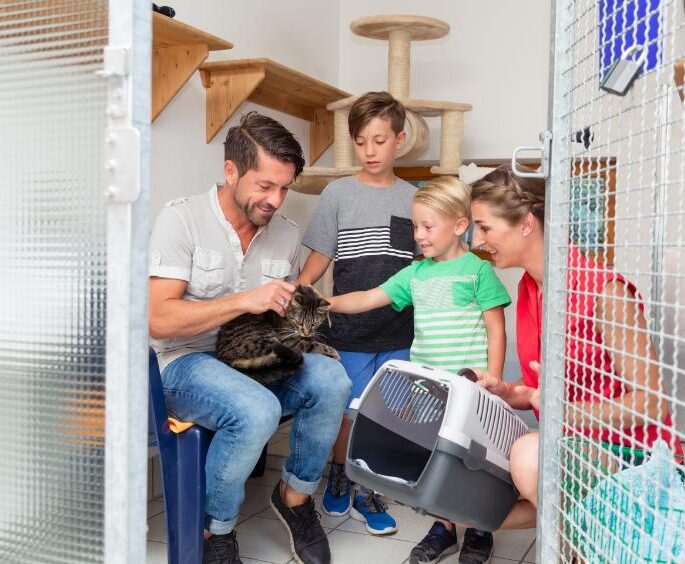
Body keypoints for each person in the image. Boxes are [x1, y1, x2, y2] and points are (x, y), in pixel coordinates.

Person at [148, 111, 350, 564]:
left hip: (256, 357)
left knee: (333, 380)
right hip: (186, 361)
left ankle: (295, 498)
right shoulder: (180, 220)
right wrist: (244, 300)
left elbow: (288, 316)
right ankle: (215, 531)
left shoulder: (286, 235)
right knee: (256, 409)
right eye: (265, 186)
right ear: (230, 170)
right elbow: (158, 321)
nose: (276, 200)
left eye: (284, 187)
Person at [468, 164, 683, 529]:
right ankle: (578, 539)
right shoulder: (529, 288)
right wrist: (508, 391)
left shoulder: (605, 291)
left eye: (485, 227)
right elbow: (546, 383)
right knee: (473, 506)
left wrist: (561, 414)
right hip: (578, 449)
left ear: (526, 222)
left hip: (637, 458)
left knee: (528, 457)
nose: (476, 241)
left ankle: (587, 543)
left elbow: (651, 402)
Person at [326, 176, 510, 564]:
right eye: (415, 225)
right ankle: (443, 526)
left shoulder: (478, 271)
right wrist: (323, 301)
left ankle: (479, 527)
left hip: (473, 388)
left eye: (428, 226)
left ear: (460, 225)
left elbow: (496, 328)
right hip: (430, 389)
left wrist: (492, 380)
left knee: (477, 460)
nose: (419, 235)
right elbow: (368, 298)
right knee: (434, 458)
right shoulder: (415, 274)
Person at [298, 91, 417, 535]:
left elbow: (424, 268)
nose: (370, 151)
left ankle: (368, 489)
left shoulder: (413, 198)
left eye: (380, 140)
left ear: (399, 141)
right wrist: (299, 291)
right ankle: (339, 474)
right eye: (361, 141)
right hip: (346, 331)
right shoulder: (337, 194)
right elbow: (318, 259)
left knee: (384, 417)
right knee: (346, 413)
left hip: (399, 333)